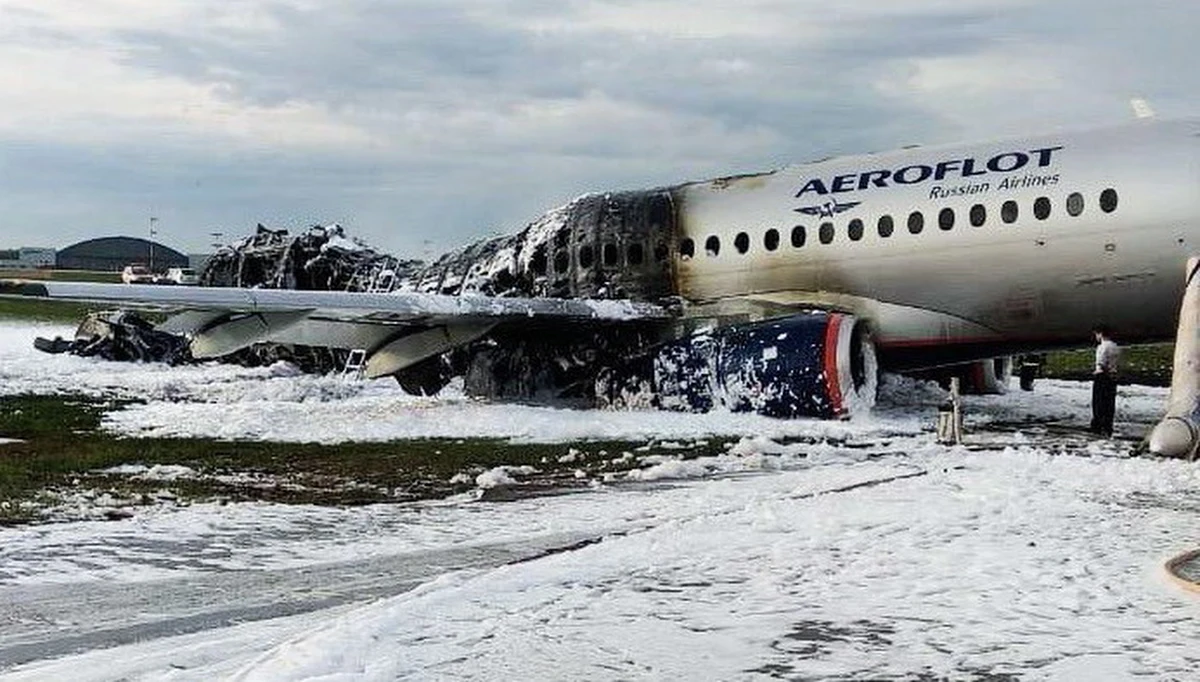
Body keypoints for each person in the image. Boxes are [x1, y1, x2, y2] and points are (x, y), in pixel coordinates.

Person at [1090, 326, 1120, 436]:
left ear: (1101, 334)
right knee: (1109, 403)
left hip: (1102, 376)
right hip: (1113, 376)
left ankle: (1097, 425)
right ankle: (1108, 426)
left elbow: (1102, 363)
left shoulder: (1102, 347)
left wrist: (1101, 371)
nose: (1096, 337)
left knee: (1098, 402)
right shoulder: (1115, 346)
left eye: (1097, 334)